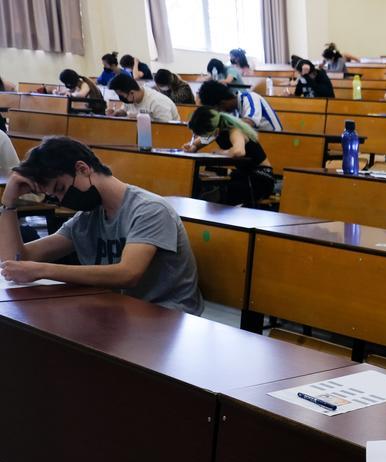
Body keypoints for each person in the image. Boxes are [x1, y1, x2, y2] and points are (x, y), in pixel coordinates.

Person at [0, 137, 203, 314]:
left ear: (83, 168)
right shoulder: (88, 217)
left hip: (167, 316)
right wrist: (8, 202)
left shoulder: (150, 210)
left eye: (60, 189)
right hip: (120, 312)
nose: (62, 200)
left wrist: (42, 270)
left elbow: (128, 273)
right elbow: (18, 259)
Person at [184, 107, 274, 207]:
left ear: (215, 129)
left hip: (261, 177)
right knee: (209, 183)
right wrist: (192, 146)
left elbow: (239, 152)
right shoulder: (216, 130)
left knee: (224, 192)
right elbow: (196, 144)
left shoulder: (234, 130)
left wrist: (221, 152)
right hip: (244, 174)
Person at [198, 81, 281, 132]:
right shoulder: (232, 109)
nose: (218, 113)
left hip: (276, 142)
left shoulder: (250, 98)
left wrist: (220, 125)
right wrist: (195, 145)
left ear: (221, 104)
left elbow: (249, 123)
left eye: (217, 110)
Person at [107, 73, 180, 122]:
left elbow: (166, 128)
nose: (121, 98)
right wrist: (118, 113)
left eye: (121, 95)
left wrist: (141, 119)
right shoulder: (130, 98)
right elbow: (125, 110)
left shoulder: (157, 102)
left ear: (132, 92)